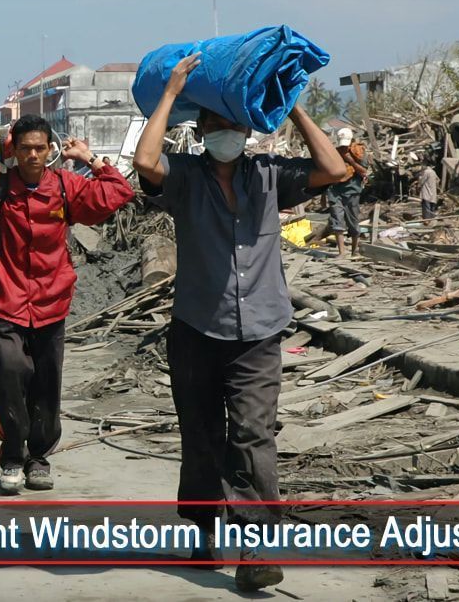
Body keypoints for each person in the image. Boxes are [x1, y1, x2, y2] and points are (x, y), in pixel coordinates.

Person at [132, 54, 346, 591]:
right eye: (216, 124)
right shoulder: (184, 179)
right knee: (202, 436)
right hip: (197, 330)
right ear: (200, 130)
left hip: (260, 333)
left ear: (249, 131)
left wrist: (289, 105)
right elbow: (146, 160)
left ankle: (257, 547)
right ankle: (203, 527)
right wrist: (171, 91)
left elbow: (335, 170)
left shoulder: (271, 177)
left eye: (234, 125)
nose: (226, 133)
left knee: (254, 436)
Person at [0, 114, 134, 495]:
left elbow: (117, 193)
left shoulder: (65, 187)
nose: (33, 155)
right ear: (14, 151)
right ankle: (11, 456)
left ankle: (38, 458)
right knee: (8, 372)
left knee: (46, 382)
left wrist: (90, 159)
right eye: (26, 149)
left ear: (51, 150)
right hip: (6, 298)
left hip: (51, 299)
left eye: (40, 148)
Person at [329, 128, 368, 257]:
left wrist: (349, 159)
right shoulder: (334, 153)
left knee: (353, 221)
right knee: (337, 220)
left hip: (352, 191)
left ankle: (354, 251)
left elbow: (363, 171)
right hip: (335, 190)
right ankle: (341, 252)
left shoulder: (358, 152)